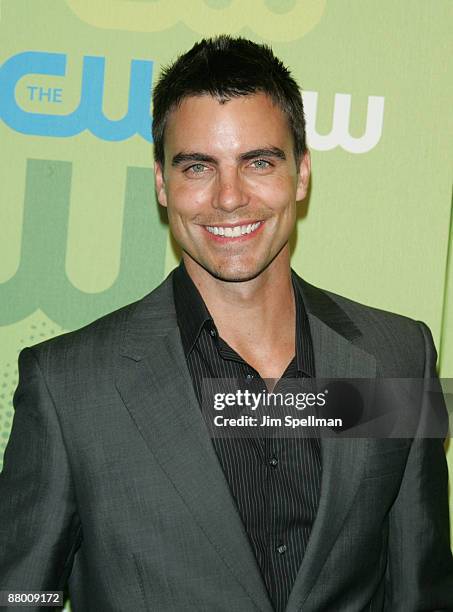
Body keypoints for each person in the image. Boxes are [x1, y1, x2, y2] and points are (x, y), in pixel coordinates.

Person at [0, 35, 452, 612]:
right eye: (198, 167)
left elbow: (421, 588)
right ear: (163, 184)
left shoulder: (397, 358)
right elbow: (19, 592)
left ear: (302, 174)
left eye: (259, 162)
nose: (230, 198)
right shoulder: (70, 385)